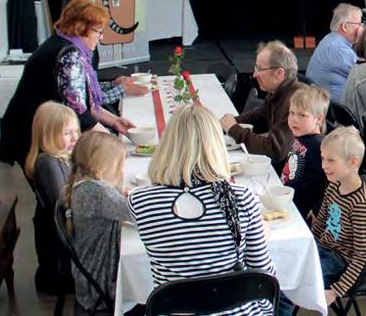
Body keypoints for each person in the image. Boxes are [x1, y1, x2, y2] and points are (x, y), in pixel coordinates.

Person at [131, 104, 277, 315]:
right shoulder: (242, 198)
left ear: (167, 145)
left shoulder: (140, 201)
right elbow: (264, 277)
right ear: (216, 145)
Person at [0, 0, 135, 169]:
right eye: (98, 32)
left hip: (36, 128)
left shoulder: (67, 45)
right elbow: (79, 111)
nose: (101, 37)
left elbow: (87, 101)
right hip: (32, 133)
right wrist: (113, 143)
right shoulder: (69, 56)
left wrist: (115, 122)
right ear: (80, 28)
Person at [279, 127, 366, 314]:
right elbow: (321, 223)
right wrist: (306, 250)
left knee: (287, 288)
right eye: (323, 158)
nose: (323, 165)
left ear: (353, 162)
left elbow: (360, 257)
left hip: (340, 262)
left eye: (330, 160)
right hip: (323, 248)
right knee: (282, 267)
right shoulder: (333, 185)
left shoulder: (362, 203)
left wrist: (335, 291)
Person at [65, 131, 134, 312]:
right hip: (100, 280)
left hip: (86, 274)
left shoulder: (83, 184)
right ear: (101, 167)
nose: (122, 170)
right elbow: (136, 213)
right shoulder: (98, 192)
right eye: (120, 165)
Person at [221, 41, 306, 169]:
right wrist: (223, 125)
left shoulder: (296, 102)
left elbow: (275, 149)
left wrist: (233, 129)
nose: (255, 74)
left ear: (279, 73)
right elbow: (255, 117)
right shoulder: (278, 93)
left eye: (259, 69)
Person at [24, 102, 80, 294]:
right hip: (60, 268)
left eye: (76, 132)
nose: (74, 138)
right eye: (67, 133)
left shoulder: (60, 159)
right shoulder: (47, 164)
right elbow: (67, 204)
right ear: (48, 135)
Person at [284, 86, 329, 217]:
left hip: (300, 210)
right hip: (287, 197)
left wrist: (317, 209)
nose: (294, 119)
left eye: (302, 115)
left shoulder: (320, 147)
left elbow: (332, 183)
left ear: (318, 119)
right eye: (291, 113)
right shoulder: (300, 135)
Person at [306, 3, 364, 101]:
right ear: (344, 26)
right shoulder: (338, 48)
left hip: (324, 103)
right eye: (358, 24)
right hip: (335, 110)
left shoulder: (330, 39)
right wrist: (364, 41)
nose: (361, 28)